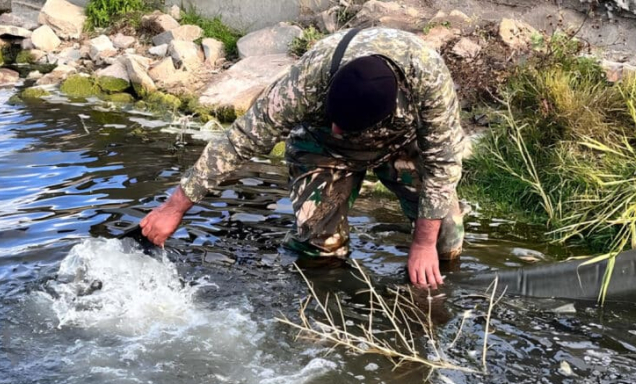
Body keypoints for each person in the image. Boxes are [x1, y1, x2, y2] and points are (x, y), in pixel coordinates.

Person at [139, 26, 467, 288]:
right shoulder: (307, 79)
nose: (338, 128)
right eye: (334, 118)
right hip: (324, 150)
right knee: (322, 252)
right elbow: (240, 140)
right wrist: (174, 207)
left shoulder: (427, 77)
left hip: (402, 146)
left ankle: (423, 307)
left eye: (345, 126)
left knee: (444, 240)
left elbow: (443, 163)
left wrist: (423, 244)